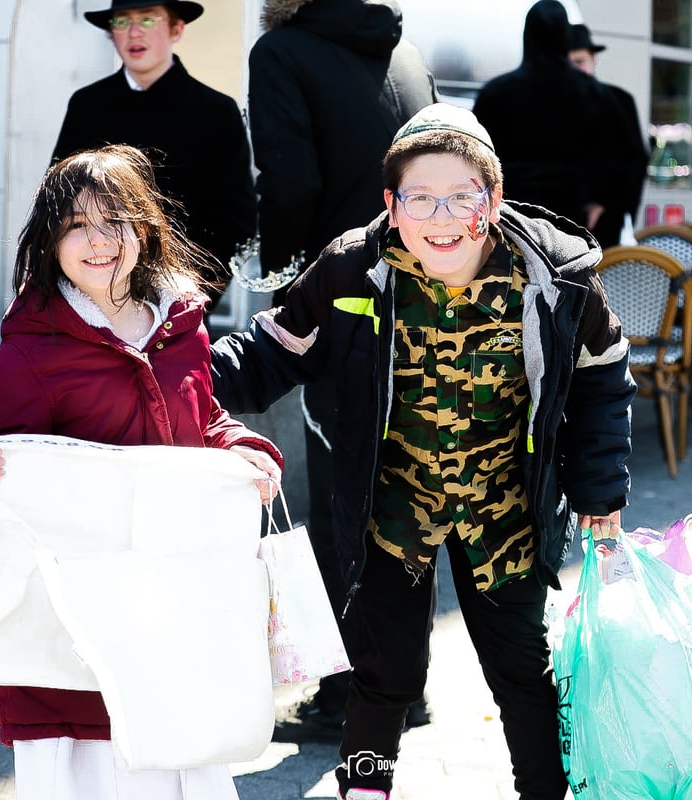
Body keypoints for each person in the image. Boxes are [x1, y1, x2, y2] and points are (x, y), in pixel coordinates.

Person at [210, 103, 635, 800]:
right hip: (392, 511)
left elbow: (603, 376)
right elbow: (265, 354)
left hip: (505, 512)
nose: (441, 218)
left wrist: (598, 491)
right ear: (391, 203)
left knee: (522, 672)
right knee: (384, 677)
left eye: (462, 197)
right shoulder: (352, 269)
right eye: (419, 198)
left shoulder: (554, 277)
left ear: (493, 199)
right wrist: (163, 374)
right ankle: (365, 790)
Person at [0, 145, 283, 799]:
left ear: (144, 228)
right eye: (75, 226)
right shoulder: (28, 355)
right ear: (50, 242)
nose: (97, 242)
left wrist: (244, 448)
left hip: (173, 615)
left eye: (113, 221)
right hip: (75, 640)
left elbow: (203, 420)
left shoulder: (181, 325)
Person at [245, 0, 439, 731]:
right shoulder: (407, 55)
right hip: (423, 304)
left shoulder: (284, 53)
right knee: (404, 501)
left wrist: (285, 285)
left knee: (341, 504)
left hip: (339, 307)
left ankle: (349, 696)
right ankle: (402, 686)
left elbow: (288, 183)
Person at [52, 0, 256, 310]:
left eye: (147, 20)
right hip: (89, 299)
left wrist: (191, 295)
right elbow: (57, 202)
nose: (134, 32)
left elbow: (235, 219)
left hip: (180, 300)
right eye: (121, 22)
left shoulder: (216, 112)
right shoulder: (87, 106)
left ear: (177, 28)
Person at [472, 0, 616, 245]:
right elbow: (614, 155)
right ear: (564, 36)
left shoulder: (496, 93)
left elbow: (475, 156)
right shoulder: (593, 93)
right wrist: (600, 200)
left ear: (527, 35)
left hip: (511, 216)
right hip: (572, 218)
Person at [566, 23, 649, 248]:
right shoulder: (552, 104)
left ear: (594, 59)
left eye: (580, 62)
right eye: (568, 63)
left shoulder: (618, 100)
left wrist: (606, 203)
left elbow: (635, 160)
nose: (574, 70)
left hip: (605, 223)